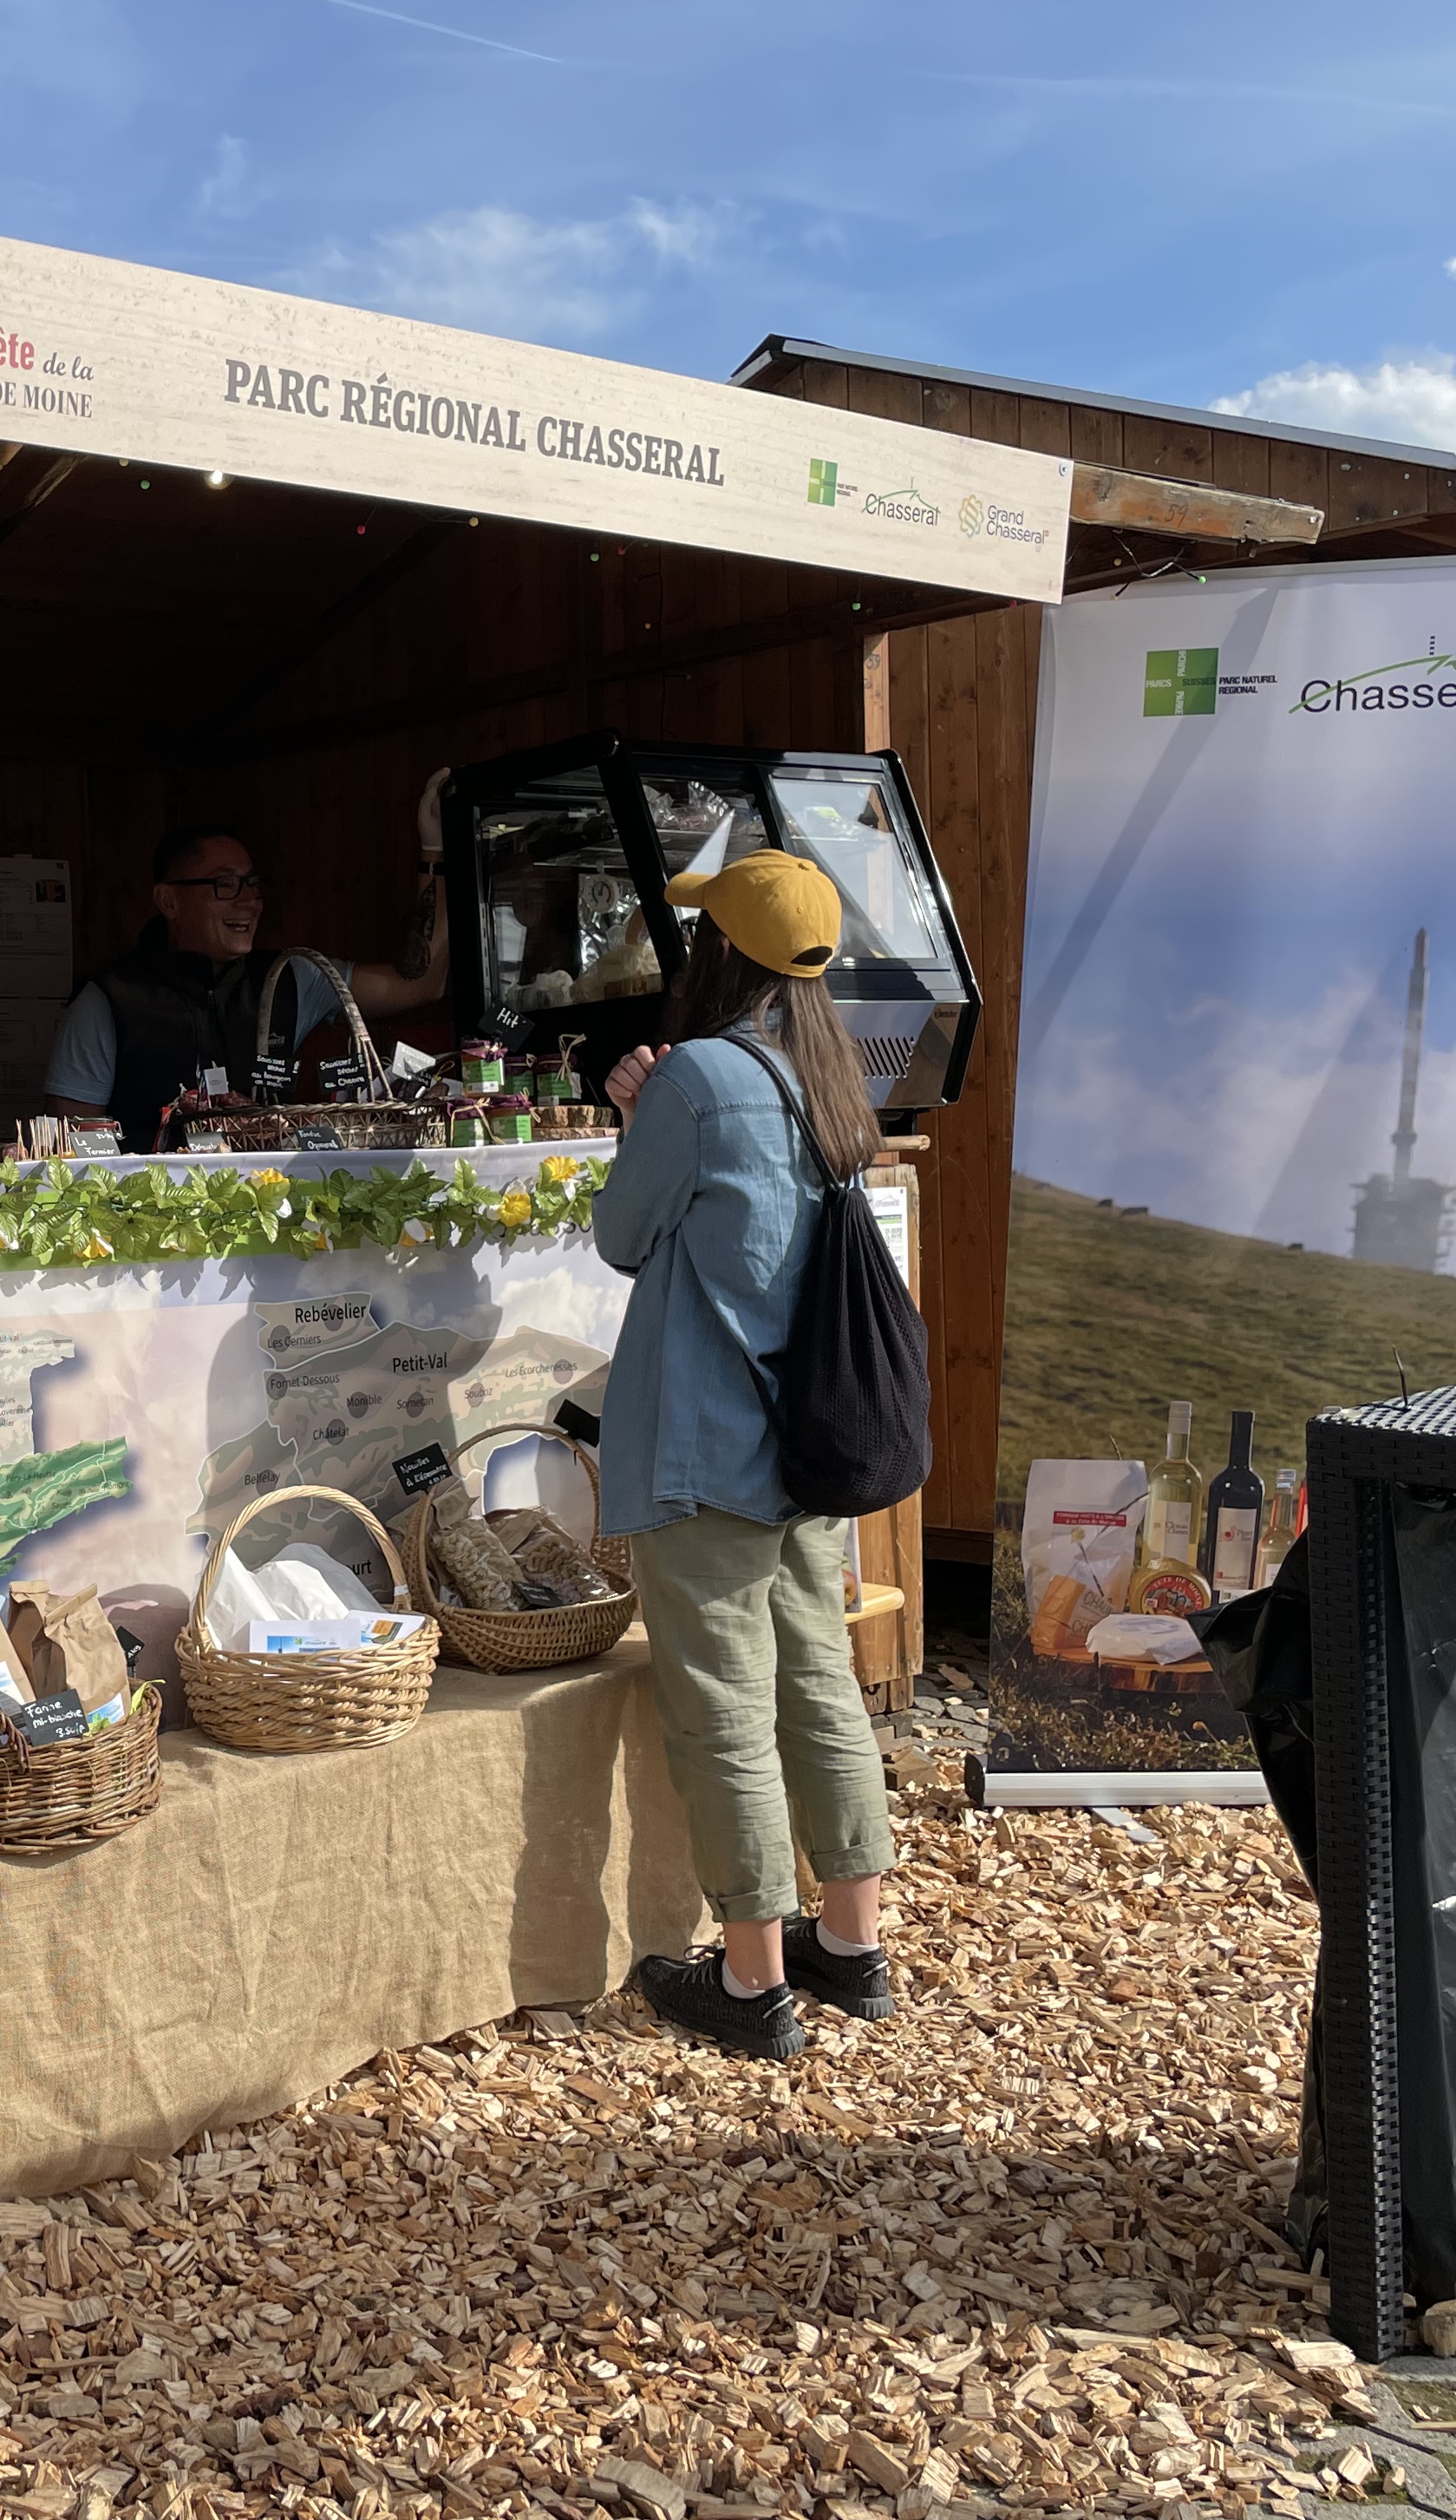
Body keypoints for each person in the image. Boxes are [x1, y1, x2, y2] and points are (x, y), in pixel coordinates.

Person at [591, 849, 892, 2064]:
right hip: (809, 1456)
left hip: (702, 1452)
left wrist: (634, 1112)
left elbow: (623, 1235)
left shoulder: (701, 1078)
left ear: (721, 950)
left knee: (721, 1711)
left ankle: (753, 1979)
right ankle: (853, 1951)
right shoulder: (832, 1073)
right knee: (820, 1691)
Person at [40, 771, 454, 1151]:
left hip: (270, 1213)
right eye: (225, 884)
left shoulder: (290, 977)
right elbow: (75, 1149)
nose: (249, 900)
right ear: (169, 901)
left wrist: (434, 851)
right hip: (153, 1223)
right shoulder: (109, 1001)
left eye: (252, 883)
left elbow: (420, 984)